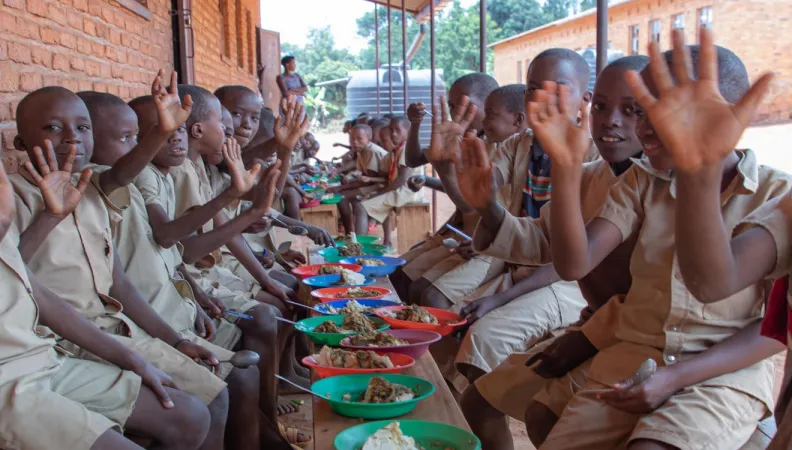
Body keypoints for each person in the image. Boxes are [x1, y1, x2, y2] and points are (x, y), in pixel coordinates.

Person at [534, 29, 788, 449]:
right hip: (640, 357)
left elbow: (772, 328)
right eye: (643, 109)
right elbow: (574, 264)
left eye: (663, 108)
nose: (644, 126)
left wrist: (677, 376)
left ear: (724, 116)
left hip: (723, 372)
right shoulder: (643, 182)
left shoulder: (774, 195)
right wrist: (566, 166)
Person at [11, 80, 231, 447]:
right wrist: (49, 216)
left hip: (119, 327)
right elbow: (14, 275)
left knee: (212, 399)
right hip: (65, 339)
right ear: (20, 144)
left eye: (82, 128)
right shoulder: (14, 197)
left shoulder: (93, 189)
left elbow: (117, 283)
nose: (71, 139)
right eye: (52, 128)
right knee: (184, 413)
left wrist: (175, 341)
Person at [80, 90, 292, 450]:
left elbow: (172, 254)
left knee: (244, 362)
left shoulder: (162, 174)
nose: (169, 136)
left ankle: (268, 423)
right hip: (144, 314)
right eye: (137, 137)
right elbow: (168, 238)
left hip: (172, 300)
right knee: (240, 362)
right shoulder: (120, 181)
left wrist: (195, 289)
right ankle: (266, 429)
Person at [455, 55, 648, 450]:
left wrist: (587, 335)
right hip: (595, 321)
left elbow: (573, 265)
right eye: (603, 108)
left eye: (632, 110)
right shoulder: (590, 172)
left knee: (546, 414)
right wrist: (488, 206)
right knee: (481, 402)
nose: (612, 120)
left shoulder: (636, 178)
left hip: (637, 337)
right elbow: (542, 239)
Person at [0, 202, 213, 449]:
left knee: (190, 417)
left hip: (43, 357)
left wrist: (134, 361)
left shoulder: (83, 199)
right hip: (8, 378)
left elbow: (38, 294)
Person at [345, 116, 424, 247]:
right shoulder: (397, 150)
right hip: (398, 190)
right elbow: (384, 173)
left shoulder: (406, 149)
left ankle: (357, 247)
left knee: (361, 207)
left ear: (408, 131)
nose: (393, 134)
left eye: (397, 130)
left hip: (407, 192)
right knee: (369, 200)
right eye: (391, 130)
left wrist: (379, 193)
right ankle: (384, 242)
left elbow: (401, 179)